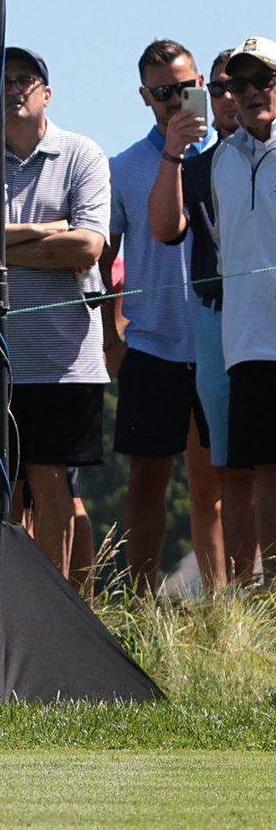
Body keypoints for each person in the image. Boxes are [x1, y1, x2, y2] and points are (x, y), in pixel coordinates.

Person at [0, 48, 110, 577]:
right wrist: (41, 231)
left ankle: (53, 603)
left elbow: (86, 248)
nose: (14, 89)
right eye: (3, 81)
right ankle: (5, 598)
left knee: (51, 476)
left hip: (62, 356)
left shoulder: (82, 154)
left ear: (47, 94)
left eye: (25, 80)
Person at [104, 39, 223, 592]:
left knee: (213, 485)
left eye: (184, 87)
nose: (175, 101)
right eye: (162, 91)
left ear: (201, 84)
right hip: (151, 343)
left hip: (217, 338)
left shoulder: (228, 157)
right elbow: (103, 259)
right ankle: (136, 600)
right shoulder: (124, 166)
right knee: (146, 481)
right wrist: (111, 334)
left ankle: (224, 605)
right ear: (144, 96)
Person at [148, 48, 257, 583]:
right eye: (219, 87)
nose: (231, 95)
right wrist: (172, 153)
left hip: (266, 318)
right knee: (230, 467)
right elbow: (165, 230)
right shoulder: (199, 164)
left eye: (245, 83)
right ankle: (242, 601)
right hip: (217, 320)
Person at [211, 36, 276, 572]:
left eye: (264, 81)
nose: (252, 92)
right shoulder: (221, 161)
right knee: (265, 467)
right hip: (247, 340)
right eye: (239, 83)